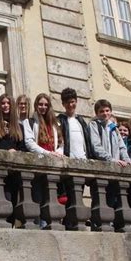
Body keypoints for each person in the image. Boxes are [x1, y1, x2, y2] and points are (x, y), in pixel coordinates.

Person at [88, 99, 131, 232]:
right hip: (101, 169)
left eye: (107, 110)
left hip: (115, 171)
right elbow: (96, 147)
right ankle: (98, 226)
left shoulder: (114, 127)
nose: (105, 113)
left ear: (110, 111)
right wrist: (111, 160)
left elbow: (121, 147)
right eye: (101, 111)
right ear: (97, 113)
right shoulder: (94, 125)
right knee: (100, 200)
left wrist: (128, 160)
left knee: (114, 200)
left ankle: (112, 226)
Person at [23, 93, 63, 229]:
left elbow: (62, 143)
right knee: (38, 197)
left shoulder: (55, 123)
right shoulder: (29, 122)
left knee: (51, 198)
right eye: (40, 104)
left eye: (46, 104)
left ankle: (50, 225)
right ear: (36, 105)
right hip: (38, 165)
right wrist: (48, 153)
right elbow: (29, 143)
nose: (43, 107)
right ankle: (40, 226)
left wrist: (58, 153)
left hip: (53, 166)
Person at [56, 88, 93, 224]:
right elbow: (58, 141)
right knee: (68, 195)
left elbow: (87, 141)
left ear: (76, 102)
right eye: (68, 102)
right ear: (63, 104)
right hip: (68, 162)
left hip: (82, 161)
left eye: (73, 102)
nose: (71, 105)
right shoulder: (60, 120)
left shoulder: (81, 121)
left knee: (79, 194)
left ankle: (77, 220)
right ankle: (69, 222)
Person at [0, 94, 25, 226]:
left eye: (8, 103)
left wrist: (16, 152)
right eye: (3, 103)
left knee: (12, 201)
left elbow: (23, 148)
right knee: (1, 200)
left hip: (13, 172)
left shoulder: (19, 126)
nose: (5, 105)